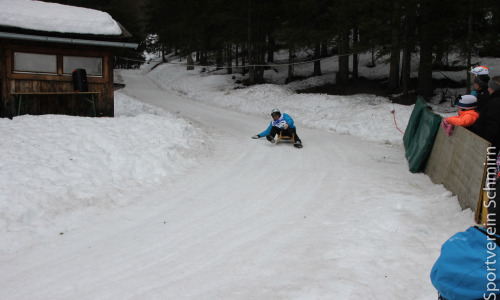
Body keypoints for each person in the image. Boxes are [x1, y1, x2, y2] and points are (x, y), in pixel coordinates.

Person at [470, 76, 500, 152]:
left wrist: (485, 143)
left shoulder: (494, 104)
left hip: (492, 144)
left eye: (489, 87)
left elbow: (492, 125)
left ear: (493, 88)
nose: (488, 89)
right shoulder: (493, 100)